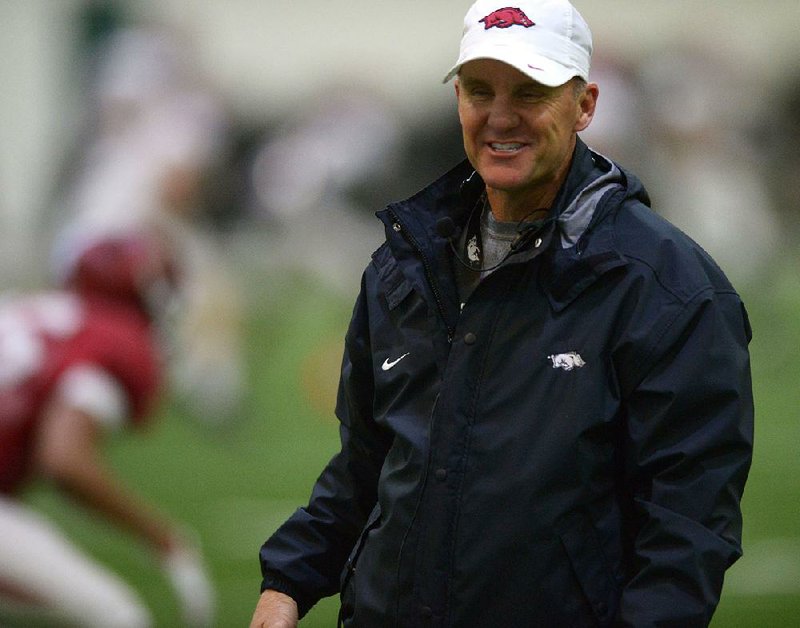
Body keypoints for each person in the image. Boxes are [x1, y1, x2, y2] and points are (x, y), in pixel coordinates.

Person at [250, 0, 754, 626]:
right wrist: (287, 586)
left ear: (585, 105)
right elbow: (365, 469)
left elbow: (687, 526)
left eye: (530, 92)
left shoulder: (666, 289)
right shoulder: (403, 267)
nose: (500, 116)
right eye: (479, 90)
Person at [0, 233, 214, 627]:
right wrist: (162, 538)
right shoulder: (111, 343)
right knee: (119, 616)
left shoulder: (30, 306)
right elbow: (64, 460)